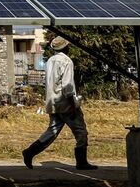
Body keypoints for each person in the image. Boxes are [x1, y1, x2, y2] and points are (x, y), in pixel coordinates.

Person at [22, 36, 97, 170]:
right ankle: (81, 162)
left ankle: (30, 152)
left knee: (52, 131)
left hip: (52, 102)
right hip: (65, 103)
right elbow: (67, 85)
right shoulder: (66, 61)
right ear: (66, 47)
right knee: (81, 132)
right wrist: (73, 105)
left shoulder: (50, 61)